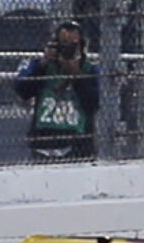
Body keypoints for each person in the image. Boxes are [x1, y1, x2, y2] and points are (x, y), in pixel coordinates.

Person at [13, 20, 100, 160]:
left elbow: (95, 103)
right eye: (63, 44)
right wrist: (42, 64)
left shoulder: (90, 69)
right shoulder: (42, 66)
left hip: (77, 141)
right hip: (44, 139)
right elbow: (22, 90)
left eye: (73, 45)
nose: (68, 49)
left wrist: (77, 77)